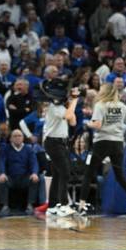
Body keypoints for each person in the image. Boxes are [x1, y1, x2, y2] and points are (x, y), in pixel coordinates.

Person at [77, 83, 126, 216]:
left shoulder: (100, 105)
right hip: (118, 143)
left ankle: (81, 207)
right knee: (120, 176)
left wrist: (88, 123)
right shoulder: (121, 106)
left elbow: (98, 125)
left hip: (102, 142)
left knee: (89, 174)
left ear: (104, 92)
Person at [42, 81, 78, 217]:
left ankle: (52, 206)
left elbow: (73, 121)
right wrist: (74, 101)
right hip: (53, 142)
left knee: (58, 174)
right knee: (65, 172)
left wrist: (70, 104)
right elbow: (69, 116)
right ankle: (63, 205)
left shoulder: (62, 107)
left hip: (61, 143)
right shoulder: (54, 107)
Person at [0, 129, 39, 216]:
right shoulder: (6, 149)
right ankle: (5, 206)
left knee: (34, 179)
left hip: (24, 178)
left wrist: (34, 173)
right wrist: (2, 173)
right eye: (15, 136)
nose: (17, 138)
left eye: (19, 136)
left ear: (23, 138)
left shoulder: (28, 149)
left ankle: (30, 205)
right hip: (10, 178)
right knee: (2, 179)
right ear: (11, 138)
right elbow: (1, 162)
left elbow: (34, 163)